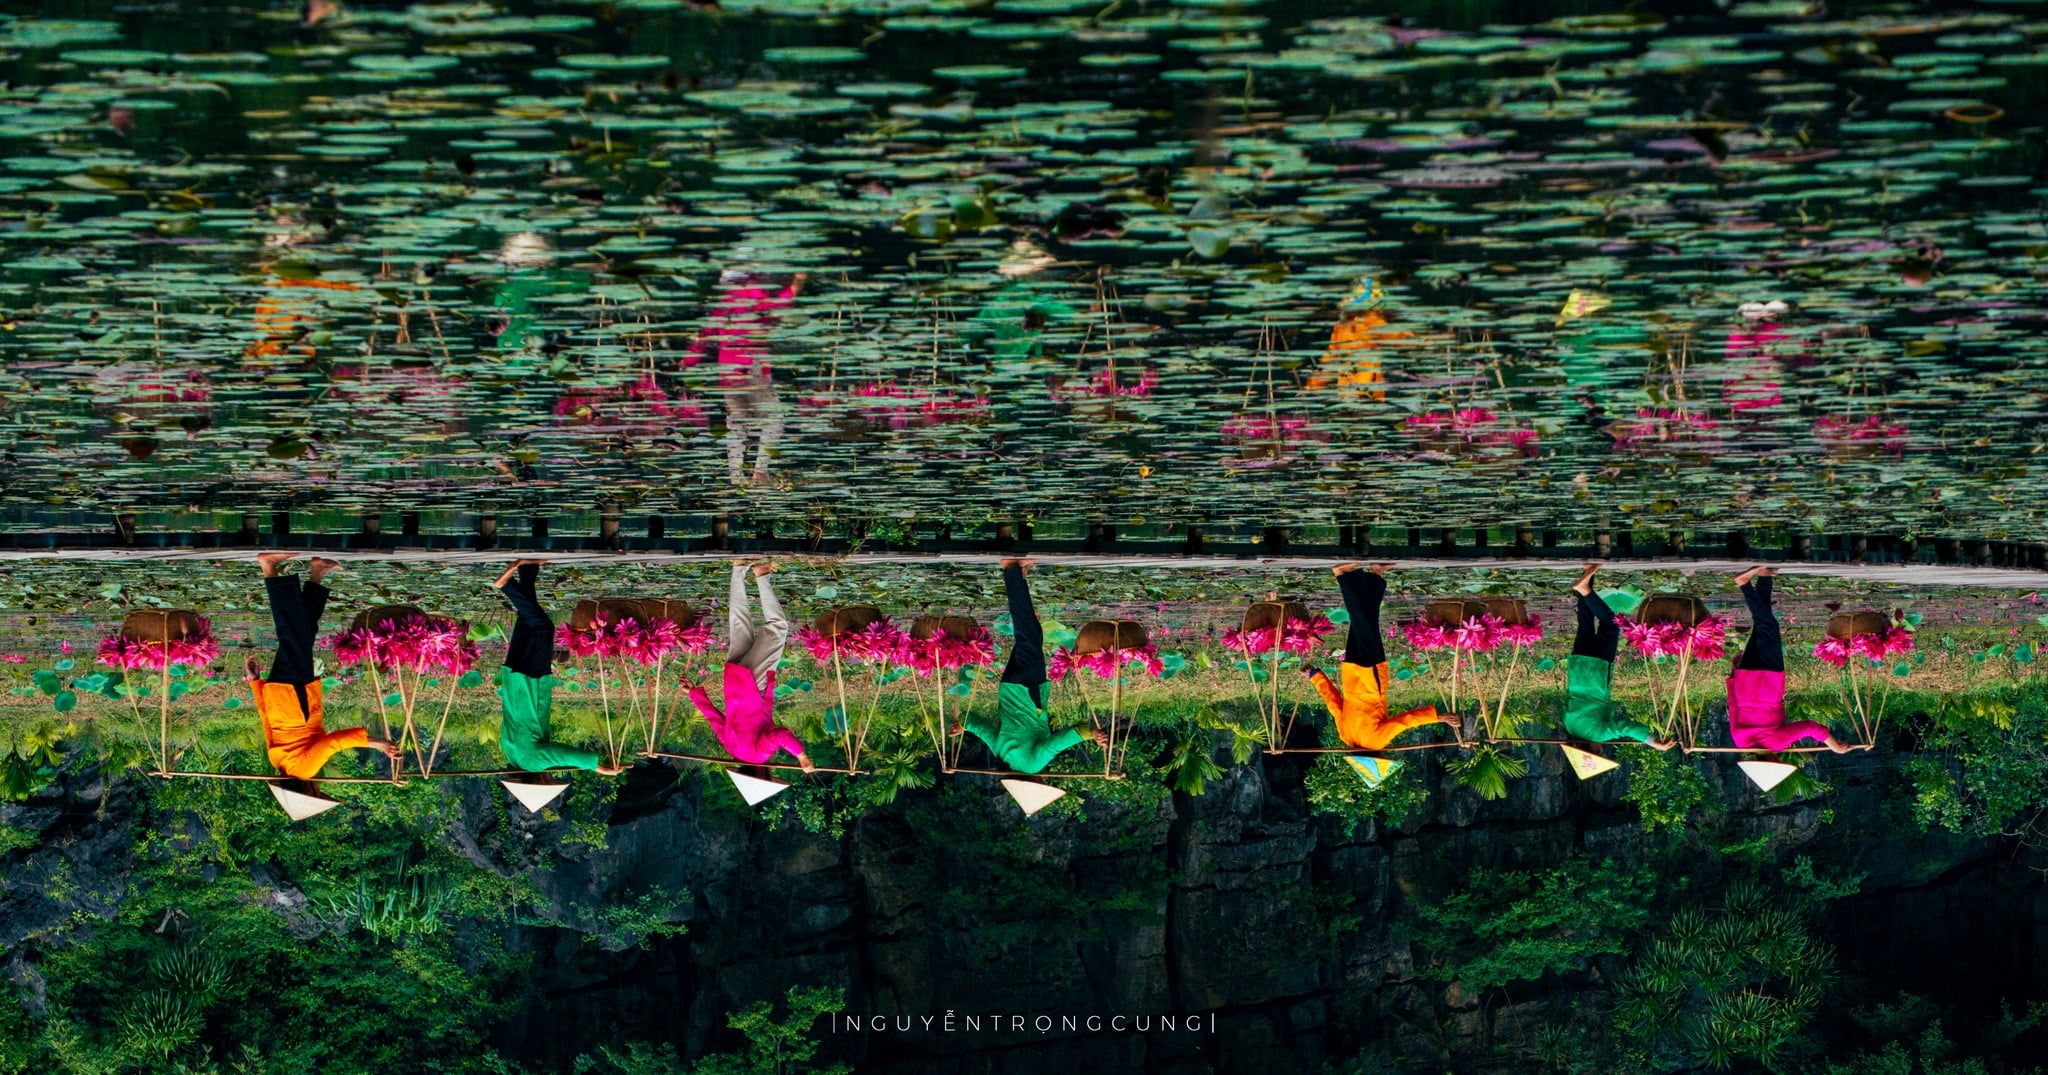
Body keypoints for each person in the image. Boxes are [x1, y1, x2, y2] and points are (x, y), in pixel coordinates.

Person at [245, 553, 402, 779]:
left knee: (293, 634)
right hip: (280, 699)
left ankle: (269, 569)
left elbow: (332, 743)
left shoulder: (303, 771)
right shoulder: (278, 763)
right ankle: (317, 572)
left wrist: (378, 744)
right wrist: (255, 683)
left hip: (295, 705)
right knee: (302, 635)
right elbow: (265, 722)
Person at [951, 558, 1108, 774]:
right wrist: (963, 724)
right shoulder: (1000, 755)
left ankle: (1011, 570)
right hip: (1009, 688)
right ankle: (1020, 575)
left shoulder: (1031, 766)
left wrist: (1089, 734)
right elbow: (980, 727)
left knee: (1029, 635)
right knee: (1029, 635)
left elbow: (1053, 745)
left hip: (1028, 690)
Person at [493, 560, 625, 775]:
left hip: (531, 685)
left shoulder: (531, 763)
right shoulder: (511, 754)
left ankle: (506, 586)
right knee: (527, 621)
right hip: (514, 683)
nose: (548, 778)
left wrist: (598, 767)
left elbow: (560, 754)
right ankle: (528, 570)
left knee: (544, 628)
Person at [1307, 563, 1457, 751]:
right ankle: (1375, 575)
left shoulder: (1376, 742)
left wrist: (1438, 717)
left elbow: (1404, 722)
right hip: (1351, 675)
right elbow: (1333, 704)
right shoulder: (1346, 737)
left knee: (1363, 620)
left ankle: (1342, 576)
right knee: (1363, 622)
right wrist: (1315, 676)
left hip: (1371, 676)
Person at [685, 562, 813, 770]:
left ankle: (761, 575)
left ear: (761, 772)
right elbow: (713, 717)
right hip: (734, 682)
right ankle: (738, 569)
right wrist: (692, 693)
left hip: (753, 685)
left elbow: (780, 735)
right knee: (739, 622)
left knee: (777, 627)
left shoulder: (758, 755)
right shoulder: (731, 748)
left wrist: (801, 755)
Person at [1727, 566, 1852, 753]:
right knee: (1762, 627)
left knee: (1768, 625)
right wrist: (1733, 678)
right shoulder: (1740, 742)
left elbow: (1810, 727)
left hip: (1767, 684)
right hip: (1744, 684)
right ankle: (1765, 577)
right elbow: (1733, 707)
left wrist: (1834, 746)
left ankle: (1744, 585)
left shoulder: (1775, 745)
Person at [1562, 564, 1675, 749]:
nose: (1602, 749)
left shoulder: (1598, 735)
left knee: (1611, 625)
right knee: (1585, 622)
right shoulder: (1571, 728)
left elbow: (1624, 727)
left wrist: (1652, 741)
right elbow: (1566, 702)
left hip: (1595, 676)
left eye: (1600, 752)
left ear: (1594, 750)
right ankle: (1587, 574)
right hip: (1577, 673)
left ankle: (1585, 588)